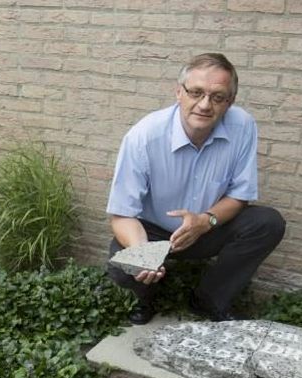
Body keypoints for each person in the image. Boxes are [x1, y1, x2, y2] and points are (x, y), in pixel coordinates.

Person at [106, 52, 286, 324]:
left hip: (208, 226)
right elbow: (121, 214)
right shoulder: (143, 137)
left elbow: (240, 195)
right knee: (123, 266)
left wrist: (205, 221)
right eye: (196, 92)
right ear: (179, 92)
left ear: (230, 102)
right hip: (155, 232)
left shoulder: (243, 126)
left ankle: (208, 300)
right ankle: (149, 296)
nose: (204, 105)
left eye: (217, 97)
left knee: (267, 223)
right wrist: (142, 253)